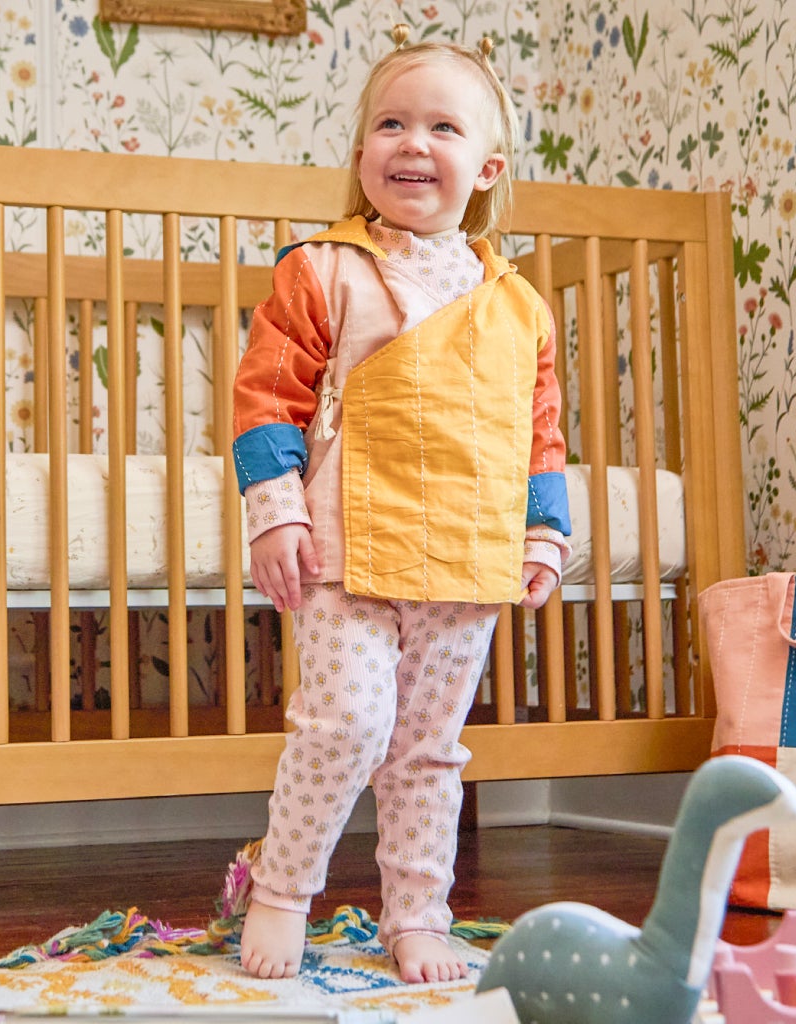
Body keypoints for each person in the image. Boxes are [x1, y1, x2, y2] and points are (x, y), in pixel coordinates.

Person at [225, 27, 571, 985]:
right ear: (362, 154)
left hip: (464, 554)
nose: (412, 143)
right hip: (348, 545)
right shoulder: (323, 269)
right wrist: (277, 512)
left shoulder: (519, 306)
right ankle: (283, 891)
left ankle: (417, 914)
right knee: (343, 726)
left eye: (441, 126)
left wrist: (544, 533)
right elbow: (269, 399)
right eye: (390, 123)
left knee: (427, 750)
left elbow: (538, 433)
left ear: (486, 165)